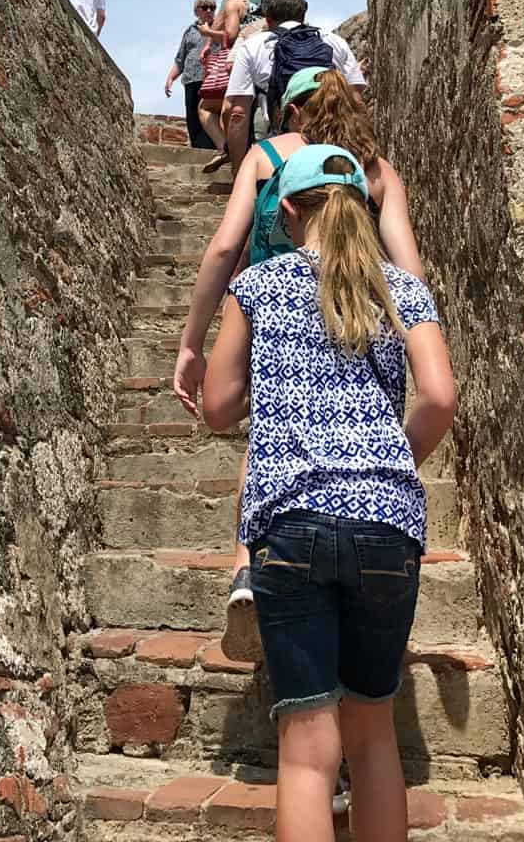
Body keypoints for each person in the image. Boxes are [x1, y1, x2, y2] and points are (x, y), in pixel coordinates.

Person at [202, 144, 455, 842]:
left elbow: (219, 407)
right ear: (363, 209)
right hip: (388, 524)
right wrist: (390, 464)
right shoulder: (404, 290)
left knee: (308, 750)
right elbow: (438, 395)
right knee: (373, 731)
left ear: (285, 209)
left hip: (293, 524)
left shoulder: (259, 286)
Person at [173, 68, 425, 660]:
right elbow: (410, 272)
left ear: (287, 111)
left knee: (267, 434)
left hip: (269, 312)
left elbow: (223, 248)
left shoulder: (266, 155)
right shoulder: (378, 170)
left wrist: (192, 343)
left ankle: (245, 567)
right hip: (360, 317)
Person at [224, 0, 365, 173]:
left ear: (267, 17)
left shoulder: (253, 46)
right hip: (333, 143)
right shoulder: (335, 42)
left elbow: (238, 114)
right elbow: (356, 102)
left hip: (279, 148)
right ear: (304, 11)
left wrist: (239, 171)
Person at [197, 0, 257, 167]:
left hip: (236, 63)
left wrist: (207, 33)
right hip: (257, 64)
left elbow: (230, 36)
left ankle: (225, 148)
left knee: (205, 108)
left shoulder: (233, 5)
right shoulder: (257, 8)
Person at [164, 0, 218, 149]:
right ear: (197, 11)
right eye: (205, 7)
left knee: (209, 117)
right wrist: (170, 78)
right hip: (190, 80)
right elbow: (181, 57)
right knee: (193, 118)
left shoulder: (218, 28)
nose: (209, 10)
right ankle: (197, 148)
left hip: (211, 79)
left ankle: (211, 149)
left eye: (212, 7)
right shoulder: (190, 31)